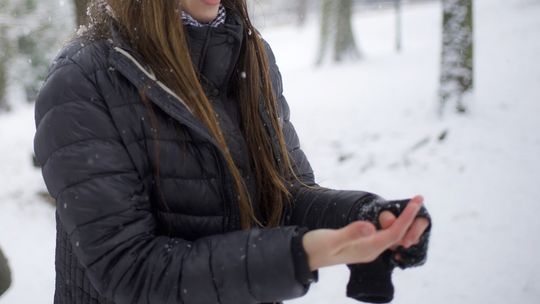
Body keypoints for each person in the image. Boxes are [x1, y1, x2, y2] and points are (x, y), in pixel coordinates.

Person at [33, 1, 432, 303]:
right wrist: (295, 253)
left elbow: (284, 194)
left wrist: (359, 216)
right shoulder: (82, 81)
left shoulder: (250, 53)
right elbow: (129, 271)